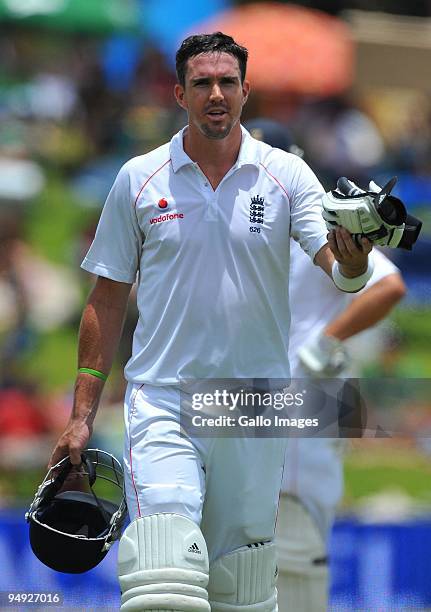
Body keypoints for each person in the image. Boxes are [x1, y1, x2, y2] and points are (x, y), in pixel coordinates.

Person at [48, 33, 373, 611]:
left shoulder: (287, 176)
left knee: (241, 589)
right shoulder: (140, 178)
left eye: (227, 83)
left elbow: (339, 268)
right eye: (202, 83)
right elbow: (105, 299)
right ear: (179, 93)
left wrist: (353, 259)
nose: (216, 94)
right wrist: (81, 415)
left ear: (246, 91)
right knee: (165, 576)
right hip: (164, 399)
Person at [246, 118, 406, 611]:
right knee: (251, 542)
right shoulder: (241, 229)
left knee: (293, 538)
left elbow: (389, 284)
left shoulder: (313, 216)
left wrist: (329, 339)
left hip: (305, 387)